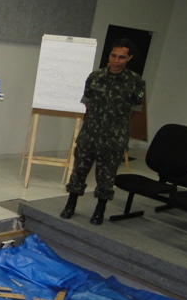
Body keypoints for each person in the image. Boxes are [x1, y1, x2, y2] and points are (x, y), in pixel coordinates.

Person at [60, 38, 146, 225]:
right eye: (113, 56)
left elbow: (133, 110)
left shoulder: (136, 82)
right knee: (78, 172)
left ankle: (99, 210)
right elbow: (88, 105)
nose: (116, 61)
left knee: (106, 177)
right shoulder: (95, 77)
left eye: (121, 57)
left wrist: (114, 126)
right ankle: (70, 204)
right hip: (90, 134)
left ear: (129, 58)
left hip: (113, 139)